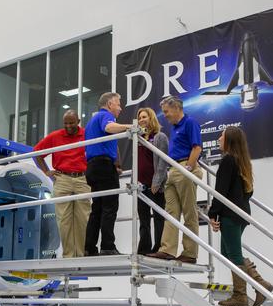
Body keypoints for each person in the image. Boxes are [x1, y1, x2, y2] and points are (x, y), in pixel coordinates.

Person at [208, 126, 273, 306]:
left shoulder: (228, 160)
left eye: (222, 136)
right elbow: (248, 192)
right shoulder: (242, 161)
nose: (219, 139)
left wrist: (213, 214)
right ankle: (259, 283)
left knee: (234, 254)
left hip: (230, 215)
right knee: (227, 253)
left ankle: (241, 295)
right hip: (240, 214)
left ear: (229, 140)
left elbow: (220, 191)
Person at [148, 95, 203, 263]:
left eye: (166, 111)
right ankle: (167, 250)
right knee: (171, 212)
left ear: (177, 108)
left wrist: (188, 169)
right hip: (173, 169)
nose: (165, 115)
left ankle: (190, 252)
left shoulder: (190, 122)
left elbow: (197, 148)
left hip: (185, 167)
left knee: (189, 212)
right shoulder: (174, 127)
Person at [34, 110, 90, 258]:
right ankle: (69, 256)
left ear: (78, 122)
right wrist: (47, 171)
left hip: (82, 179)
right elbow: (37, 152)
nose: (68, 126)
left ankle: (80, 256)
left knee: (83, 219)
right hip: (62, 178)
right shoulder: (55, 136)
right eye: (65, 123)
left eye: (71, 123)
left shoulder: (86, 133)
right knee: (64, 220)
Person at [84, 92, 131, 256]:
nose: (120, 108)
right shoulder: (106, 116)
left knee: (97, 209)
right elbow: (109, 128)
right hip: (103, 166)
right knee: (109, 207)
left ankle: (89, 247)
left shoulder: (91, 122)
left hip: (93, 166)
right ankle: (108, 246)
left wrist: (115, 163)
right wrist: (131, 127)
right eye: (118, 104)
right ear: (110, 104)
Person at [136, 107, 169, 254]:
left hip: (155, 185)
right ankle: (144, 248)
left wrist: (157, 182)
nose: (141, 120)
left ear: (151, 118)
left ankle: (158, 247)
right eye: (139, 118)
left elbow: (162, 161)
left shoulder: (160, 137)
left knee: (158, 217)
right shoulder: (138, 138)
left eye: (144, 117)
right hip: (140, 185)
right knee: (143, 219)